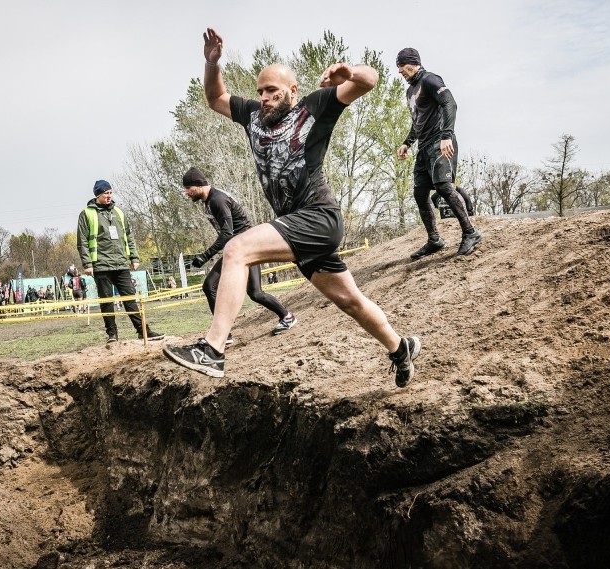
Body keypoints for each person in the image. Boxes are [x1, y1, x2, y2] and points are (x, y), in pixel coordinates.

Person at [163, 28, 420, 387]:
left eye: (273, 91)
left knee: (237, 248)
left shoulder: (315, 108)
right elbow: (214, 96)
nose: (265, 98)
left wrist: (349, 72)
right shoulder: (252, 116)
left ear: (293, 91)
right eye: (261, 91)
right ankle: (400, 347)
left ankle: (213, 350)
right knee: (351, 301)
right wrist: (211, 62)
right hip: (295, 225)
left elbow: (370, 81)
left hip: (319, 217)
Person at [182, 166, 296, 344]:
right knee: (245, 291)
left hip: (246, 246)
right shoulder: (209, 200)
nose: (186, 192)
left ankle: (285, 317)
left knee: (246, 291)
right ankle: (225, 335)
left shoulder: (217, 200)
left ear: (198, 185)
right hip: (239, 248)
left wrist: (206, 256)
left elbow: (227, 233)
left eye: (188, 188)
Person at [395, 47, 483, 259]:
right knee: (419, 193)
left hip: (440, 142)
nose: (399, 72)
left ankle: (471, 233)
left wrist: (446, 135)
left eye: (402, 67)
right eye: (398, 67)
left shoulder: (430, 80)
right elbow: (418, 121)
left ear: (412, 63)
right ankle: (434, 239)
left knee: (443, 187)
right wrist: (407, 143)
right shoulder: (410, 91)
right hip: (424, 147)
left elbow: (449, 103)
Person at [77, 179, 165, 343]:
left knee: (130, 298)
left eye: (110, 192)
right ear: (98, 195)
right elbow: (82, 241)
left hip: (121, 263)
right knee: (107, 301)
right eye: (106, 193)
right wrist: (87, 264)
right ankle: (112, 334)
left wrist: (134, 256)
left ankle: (143, 331)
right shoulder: (86, 214)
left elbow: (129, 236)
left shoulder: (119, 212)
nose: (109, 196)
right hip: (101, 265)